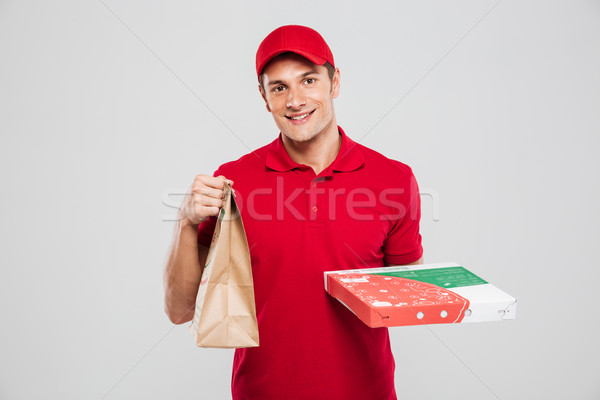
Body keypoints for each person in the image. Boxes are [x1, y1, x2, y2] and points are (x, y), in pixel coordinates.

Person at [163, 25, 423, 400]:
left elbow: (407, 296)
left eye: (309, 80)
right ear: (264, 98)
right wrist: (185, 223)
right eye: (280, 87)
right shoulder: (233, 182)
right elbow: (180, 310)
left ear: (334, 83)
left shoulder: (394, 179)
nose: (295, 100)